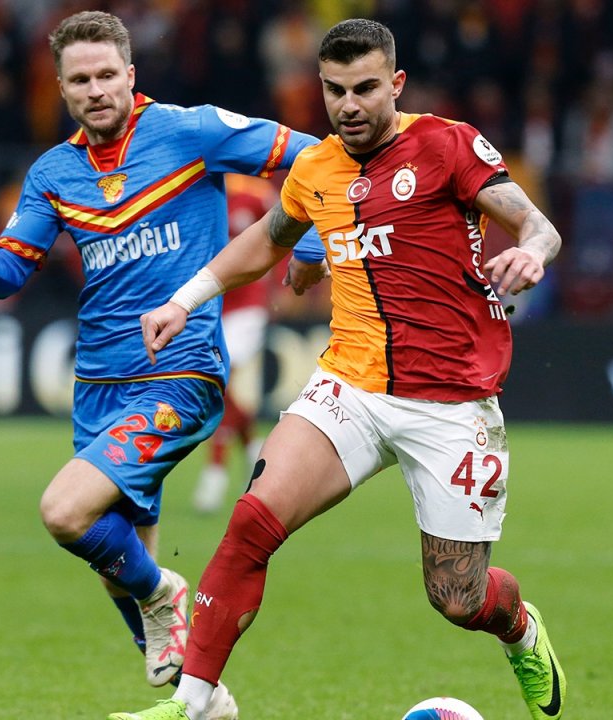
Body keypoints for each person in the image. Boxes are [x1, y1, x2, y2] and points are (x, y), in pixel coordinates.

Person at [114, 18, 566, 720]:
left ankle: (521, 630)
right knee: (251, 523)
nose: (349, 105)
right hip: (349, 387)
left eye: (364, 89)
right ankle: (194, 703)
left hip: (450, 402)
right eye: (334, 90)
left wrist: (531, 251)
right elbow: (268, 241)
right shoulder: (316, 168)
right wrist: (184, 299)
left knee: (458, 598)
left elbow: (537, 223)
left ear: (396, 84)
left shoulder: (446, 144)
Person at [0, 11, 327, 715]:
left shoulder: (190, 131)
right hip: (97, 384)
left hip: (180, 371)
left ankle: (164, 594)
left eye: (105, 75)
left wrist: (306, 245)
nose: (94, 90)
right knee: (115, 560)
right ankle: (202, 702)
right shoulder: (53, 173)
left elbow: (310, 154)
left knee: (66, 512)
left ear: (130, 74)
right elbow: (9, 275)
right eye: (79, 80)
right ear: (62, 88)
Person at [192, 175, 278, 514]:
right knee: (216, 383)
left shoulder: (257, 193)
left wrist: (282, 284)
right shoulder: (198, 189)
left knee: (218, 380)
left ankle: (214, 474)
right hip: (209, 305)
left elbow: (289, 232)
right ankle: (256, 448)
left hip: (247, 306)